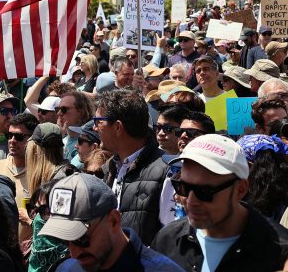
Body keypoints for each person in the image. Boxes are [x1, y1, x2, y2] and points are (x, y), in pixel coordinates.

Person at [152, 134, 288, 270]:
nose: (191, 201)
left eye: (205, 191)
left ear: (240, 189)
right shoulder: (167, 239)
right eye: (183, 187)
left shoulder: (278, 251)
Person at [40, 173, 184, 271]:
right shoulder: (66, 269)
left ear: (114, 221)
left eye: (81, 239)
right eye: (65, 240)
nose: (73, 253)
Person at [95, 90, 167, 245]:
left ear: (118, 127)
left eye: (97, 122)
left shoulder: (166, 172)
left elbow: (171, 240)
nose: (95, 128)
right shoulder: (110, 168)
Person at [0, 112, 38, 244]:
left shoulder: (41, 174)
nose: (12, 140)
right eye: (9, 135)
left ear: (32, 140)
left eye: (18, 136)